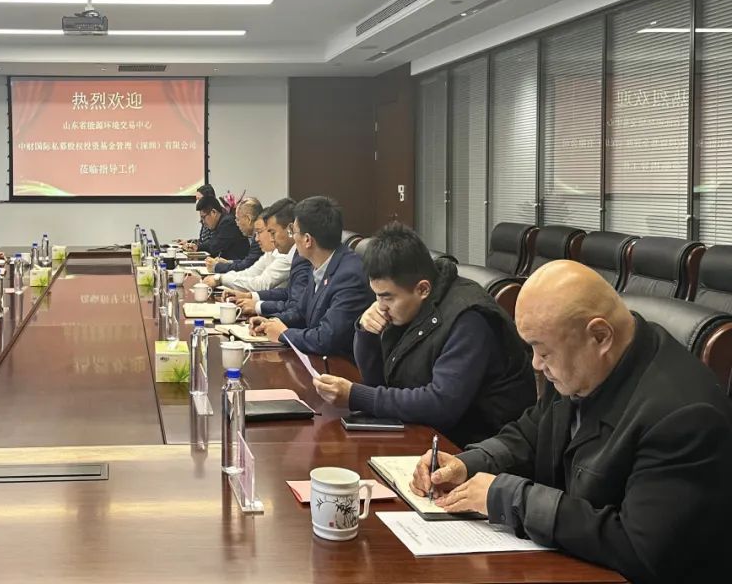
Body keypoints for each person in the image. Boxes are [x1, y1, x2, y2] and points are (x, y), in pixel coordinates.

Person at [409, 260, 732, 584]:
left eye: (543, 352)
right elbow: (531, 434)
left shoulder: (684, 416)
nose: (536, 364)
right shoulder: (580, 362)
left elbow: (638, 548)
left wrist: (512, 498)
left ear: (600, 336)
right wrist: (468, 463)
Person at [313, 223, 535, 446]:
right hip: (429, 431)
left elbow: (441, 405)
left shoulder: (469, 318)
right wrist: (366, 333)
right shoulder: (409, 306)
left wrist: (355, 396)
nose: (380, 306)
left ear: (422, 289)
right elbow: (378, 383)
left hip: (476, 446)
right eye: (377, 296)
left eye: (387, 297)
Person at [249, 196, 372, 359]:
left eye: (294, 232)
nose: (293, 238)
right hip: (317, 358)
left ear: (307, 240)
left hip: (339, 365)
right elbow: (301, 312)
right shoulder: (319, 264)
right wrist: (270, 322)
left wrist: (284, 334)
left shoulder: (349, 275)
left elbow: (326, 338)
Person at [228, 198, 309, 316]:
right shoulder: (296, 254)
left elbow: (295, 309)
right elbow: (288, 293)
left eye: (273, 233)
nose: (271, 239)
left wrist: (258, 307)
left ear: (291, 230)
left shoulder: (301, 258)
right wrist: (251, 296)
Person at [206, 200, 292, 293]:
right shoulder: (271, 253)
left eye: (272, 232)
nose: (256, 239)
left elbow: (261, 284)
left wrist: (221, 279)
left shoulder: (286, 256)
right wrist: (221, 278)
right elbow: (250, 273)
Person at [207, 198, 263, 274]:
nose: (237, 223)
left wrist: (217, 266)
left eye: (238, 219)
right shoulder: (256, 235)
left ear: (249, 219)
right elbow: (248, 261)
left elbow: (247, 267)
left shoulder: (260, 238)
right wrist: (229, 262)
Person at [194, 196, 249, 261]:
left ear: (213, 212)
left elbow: (215, 247)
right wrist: (196, 246)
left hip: (238, 264)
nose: (203, 222)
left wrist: (197, 247)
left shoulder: (228, 222)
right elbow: (211, 243)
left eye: (203, 217)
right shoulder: (221, 222)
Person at [180, 184, 217, 251]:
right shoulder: (205, 215)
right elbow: (203, 241)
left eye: (199, 199)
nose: (197, 202)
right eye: (196, 199)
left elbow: (212, 242)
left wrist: (196, 247)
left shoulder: (215, 216)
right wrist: (189, 242)